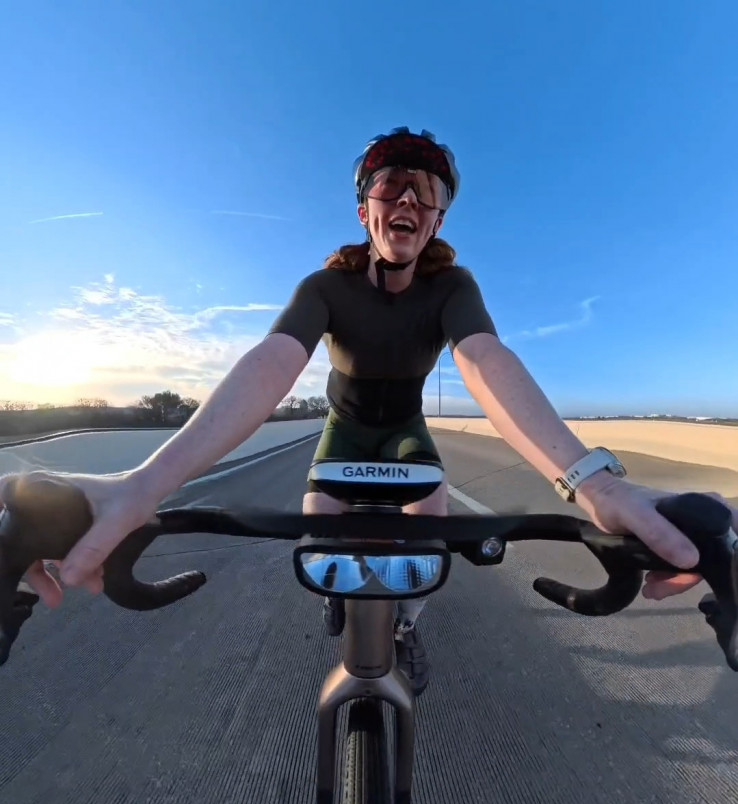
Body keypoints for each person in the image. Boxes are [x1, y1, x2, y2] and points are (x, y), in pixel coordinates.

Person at [1, 127, 735, 693]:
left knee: (431, 526)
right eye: (391, 185)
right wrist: (145, 485)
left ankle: (406, 627)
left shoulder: (452, 288)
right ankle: (346, 601)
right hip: (346, 429)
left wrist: (592, 481)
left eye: (426, 190)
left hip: (405, 435)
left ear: (437, 220)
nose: (408, 199)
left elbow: (484, 359)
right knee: (316, 524)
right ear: (365, 211)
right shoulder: (326, 288)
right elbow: (271, 365)